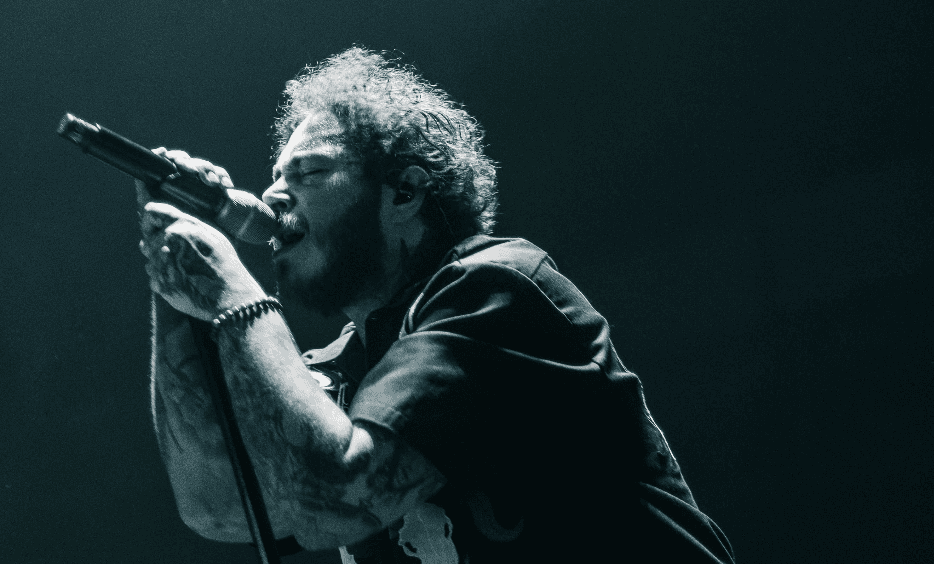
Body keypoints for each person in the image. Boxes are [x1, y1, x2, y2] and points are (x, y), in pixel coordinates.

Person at [138, 47, 736, 563]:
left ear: (404, 192)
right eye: (275, 175)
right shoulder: (342, 367)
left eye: (311, 172)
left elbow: (340, 500)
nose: (272, 194)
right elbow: (214, 507)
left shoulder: (495, 291)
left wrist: (236, 296)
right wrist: (177, 291)